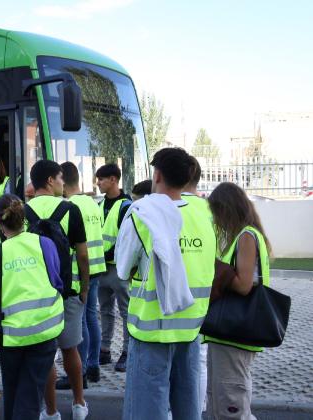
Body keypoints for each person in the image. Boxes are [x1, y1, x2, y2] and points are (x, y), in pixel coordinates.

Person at [116, 148, 216, 420]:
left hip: (151, 331)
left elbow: (123, 269)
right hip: (191, 329)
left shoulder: (142, 213)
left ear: (156, 175)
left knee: (146, 413)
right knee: (188, 411)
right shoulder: (206, 213)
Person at [0, 194, 64, 420]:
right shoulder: (44, 244)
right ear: (23, 217)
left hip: (9, 335)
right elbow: (57, 280)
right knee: (31, 394)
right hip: (44, 330)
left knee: (13, 390)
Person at [26, 160, 89, 420]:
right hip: (66, 291)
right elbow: (83, 255)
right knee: (70, 349)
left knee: (46, 354)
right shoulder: (69, 209)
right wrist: (84, 288)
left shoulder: (23, 210)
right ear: (50, 180)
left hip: (36, 293)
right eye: (61, 178)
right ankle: (78, 404)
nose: (64, 183)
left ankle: (50, 411)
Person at [206, 182, 271, 419]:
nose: (216, 219)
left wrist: (216, 268)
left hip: (235, 332)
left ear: (227, 209)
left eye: (217, 212)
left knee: (231, 404)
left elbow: (244, 285)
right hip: (229, 333)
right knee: (220, 398)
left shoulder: (246, 236)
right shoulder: (244, 235)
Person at [62, 162, 107, 385]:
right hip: (97, 268)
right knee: (91, 318)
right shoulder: (92, 203)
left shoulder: (69, 206)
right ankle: (93, 366)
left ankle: (78, 372)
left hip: (81, 272)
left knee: (80, 322)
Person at [95, 163, 132, 371]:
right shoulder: (99, 205)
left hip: (118, 269)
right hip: (102, 268)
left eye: (101, 179)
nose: (98, 183)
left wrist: (106, 255)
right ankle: (105, 350)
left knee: (126, 311)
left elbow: (125, 239)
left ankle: (127, 351)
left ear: (113, 179)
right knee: (106, 310)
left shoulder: (126, 205)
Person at [183, 156, 212, 413]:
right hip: (204, 300)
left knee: (175, 364)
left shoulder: (167, 208)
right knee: (199, 360)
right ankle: (197, 409)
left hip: (168, 303)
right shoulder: (210, 211)